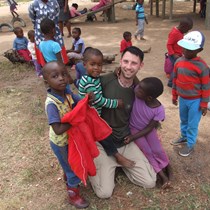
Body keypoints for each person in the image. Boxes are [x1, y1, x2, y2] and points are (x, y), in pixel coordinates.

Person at [89, 46, 156, 199]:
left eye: (134, 63)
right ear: (120, 62)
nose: (128, 66)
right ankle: (108, 162)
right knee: (104, 193)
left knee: (150, 181)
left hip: (125, 141)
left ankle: (117, 165)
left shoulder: (140, 91)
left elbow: (154, 111)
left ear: (141, 66)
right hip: (101, 142)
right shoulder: (103, 81)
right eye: (125, 61)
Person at [43, 61, 89, 209]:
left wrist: (88, 99)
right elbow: (57, 129)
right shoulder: (52, 104)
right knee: (72, 167)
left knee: (69, 161)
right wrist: (76, 121)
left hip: (70, 139)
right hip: (60, 142)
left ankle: (67, 176)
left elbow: (80, 101)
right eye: (55, 76)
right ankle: (73, 194)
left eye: (64, 74)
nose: (61, 78)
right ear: (47, 82)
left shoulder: (67, 93)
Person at [78, 47, 135, 168]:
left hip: (94, 115)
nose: (96, 68)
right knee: (103, 135)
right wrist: (115, 103)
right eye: (92, 64)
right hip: (88, 116)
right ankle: (117, 156)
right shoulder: (88, 81)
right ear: (84, 65)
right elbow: (98, 100)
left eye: (99, 65)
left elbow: (101, 79)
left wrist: (113, 73)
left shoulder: (94, 78)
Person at [125, 77, 171, 188]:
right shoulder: (140, 92)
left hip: (147, 130)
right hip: (134, 129)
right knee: (148, 152)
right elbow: (135, 79)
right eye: (139, 86)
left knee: (158, 149)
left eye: (140, 89)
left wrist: (133, 137)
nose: (136, 89)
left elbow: (150, 128)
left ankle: (168, 168)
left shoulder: (159, 109)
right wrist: (133, 136)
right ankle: (162, 176)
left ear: (149, 98)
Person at [171, 31, 210, 157]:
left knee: (192, 123)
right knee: (184, 119)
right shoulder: (178, 62)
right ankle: (184, 136)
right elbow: (175, 80)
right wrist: (174, 95)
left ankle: (190, 143)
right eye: (184, 47)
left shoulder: (202, 67)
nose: (185, 51)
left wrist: (204, 103)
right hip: (183, 98)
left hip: (196, 101)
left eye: (190, 48)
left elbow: (206, 86)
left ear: (199, 49)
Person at [28, 0, 69, 66]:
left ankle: (60, 65)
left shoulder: (54, 2)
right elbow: (32, 18)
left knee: (56, 47)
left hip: (54, 28)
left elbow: (57, 14)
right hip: (41, 31)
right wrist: (41, 26)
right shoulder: (33, 4)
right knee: (43, 48)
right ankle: (46, 66)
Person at [166, 17, 193, 87]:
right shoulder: (175, 33)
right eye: (187, 30)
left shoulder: (180, 32)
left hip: (179, 54)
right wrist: (173, 54)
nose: (187, 31)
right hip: (174, 55)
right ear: (183, 27)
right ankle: (171, 82)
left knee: (178, 67)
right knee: (177, 68)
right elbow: (169, 44)